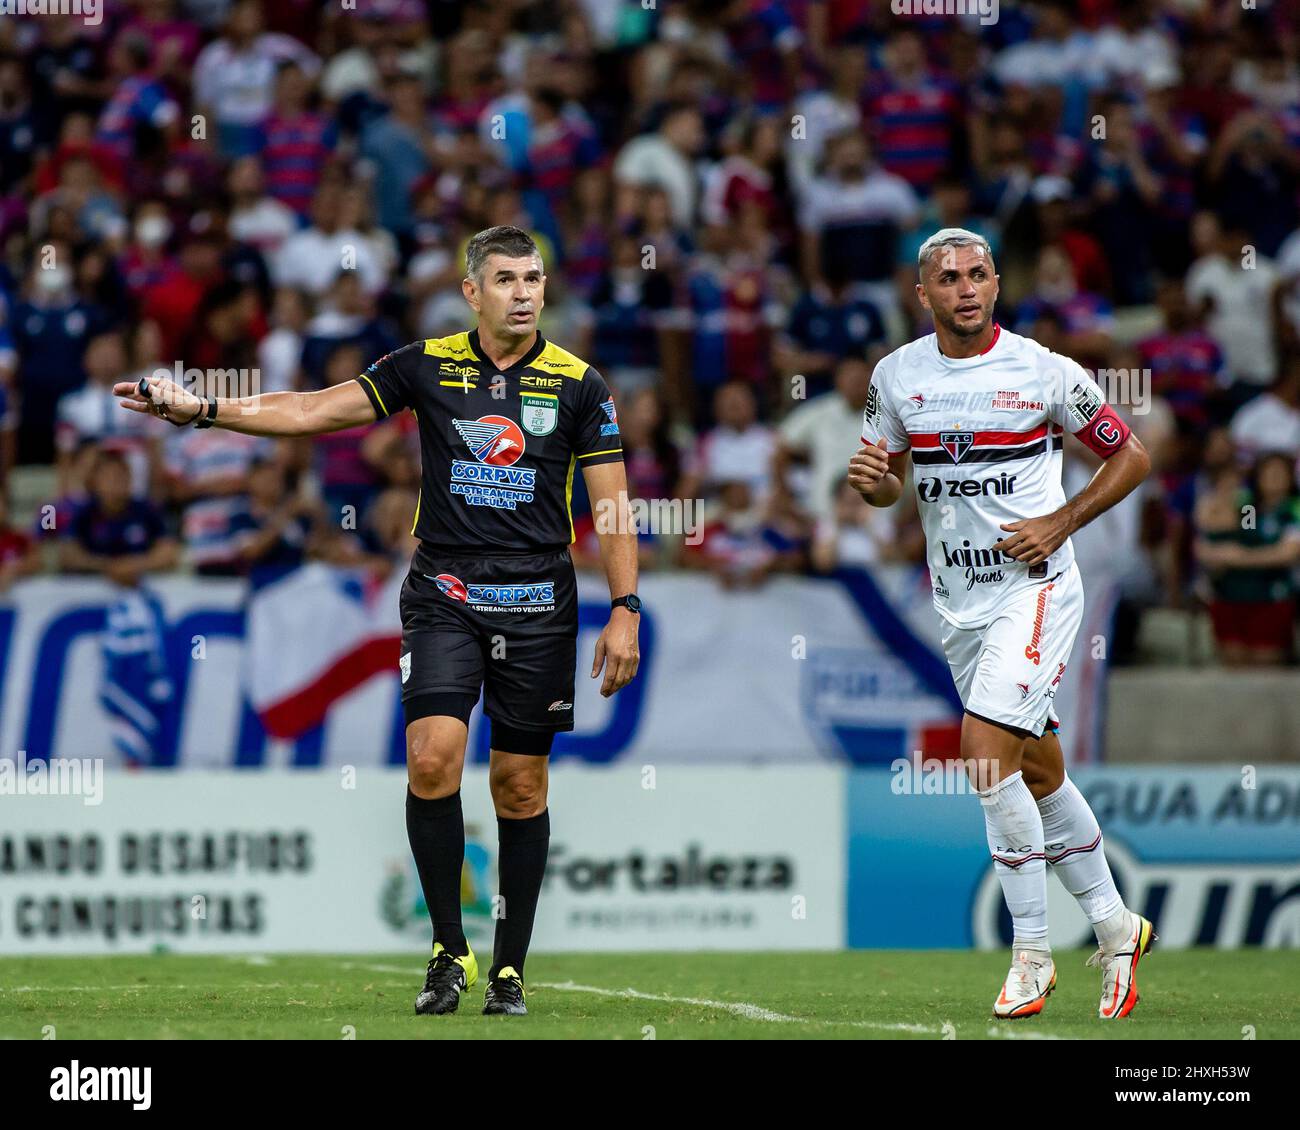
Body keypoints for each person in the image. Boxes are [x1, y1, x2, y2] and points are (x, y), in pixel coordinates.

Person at [116, 225, 640, 1018]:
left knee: (520, 785)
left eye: (533, 278)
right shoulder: (427, 365)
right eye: (505, 280)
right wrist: (203, 411)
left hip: (539, 600)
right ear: (472, 292)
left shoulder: (580, 386)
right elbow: (311, 412)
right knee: (432, 760)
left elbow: (612, 506)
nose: (525, 293)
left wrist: (626, 607)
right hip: (445, 592)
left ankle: (509, 969)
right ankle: (446, 949)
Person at [850, 228, 1154, 1021]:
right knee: (1039, 773)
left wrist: (1061, 520)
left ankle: (1030, 954)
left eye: (978, 274)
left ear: (995, 282)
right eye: (948, 278)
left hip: (1038, 587)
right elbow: (888, 489)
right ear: (924, 295)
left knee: (983, 757)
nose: (965, 288)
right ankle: (1117, 926)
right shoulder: (896, 377)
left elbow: (1131, 458)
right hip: (960, 605)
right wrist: (875, 483)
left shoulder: (1043, 369)